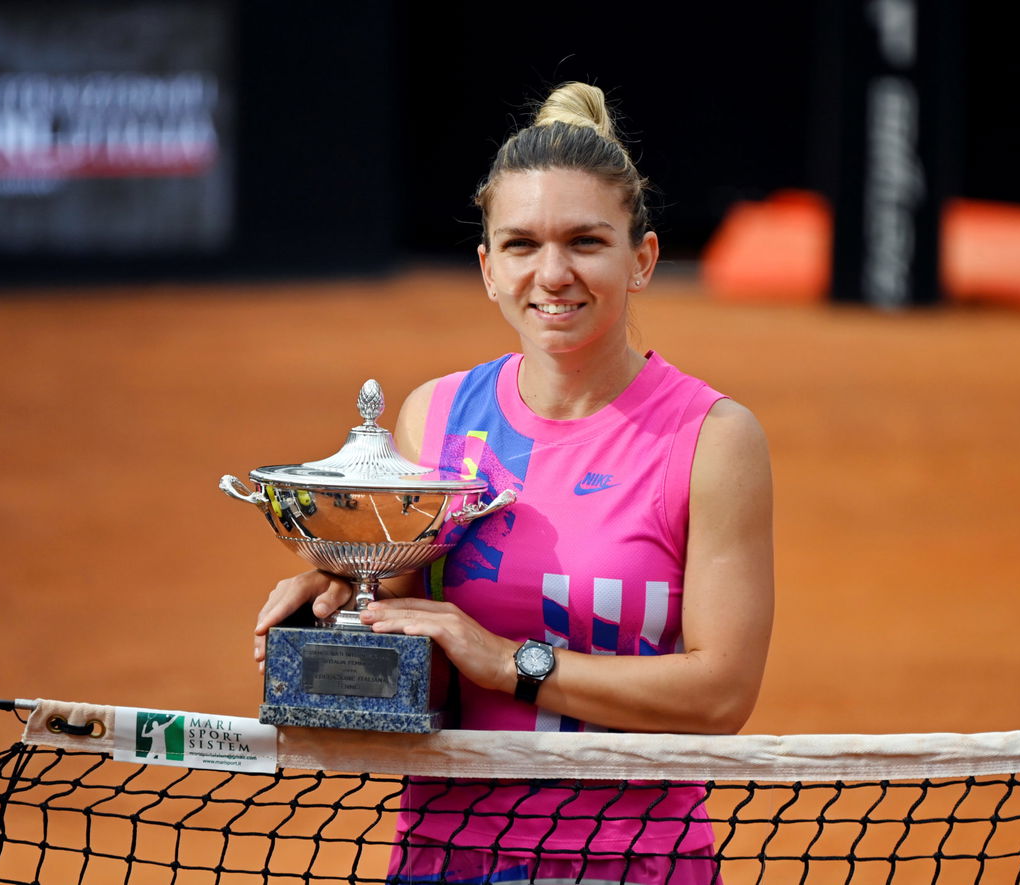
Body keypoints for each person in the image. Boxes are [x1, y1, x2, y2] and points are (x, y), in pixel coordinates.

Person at [254, 82, 774, 884]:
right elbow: (407, 648)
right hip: (449, 859)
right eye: (522, 243)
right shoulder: (437, 417)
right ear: (488, 267)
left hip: (636, 865)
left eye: (586, 242)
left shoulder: (710, 438)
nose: (553, 272)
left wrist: (508, 662)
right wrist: (336, 602)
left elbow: (720, 695)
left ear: (642, 259)